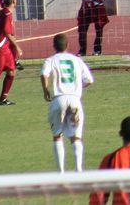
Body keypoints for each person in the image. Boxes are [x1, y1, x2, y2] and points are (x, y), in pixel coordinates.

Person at [41, 33, 94, 173]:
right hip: (75, 100)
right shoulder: (77, 60)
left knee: (57, 135)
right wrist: (78, 87)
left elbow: (44, 74)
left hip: (58, 99)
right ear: (68, 45)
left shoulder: (51, 60)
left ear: (54, 46)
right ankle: (78, 169)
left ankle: (61, 172)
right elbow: (89, 80)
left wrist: (45, 90)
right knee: (76, 137)